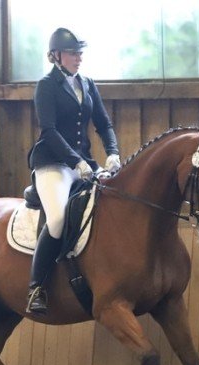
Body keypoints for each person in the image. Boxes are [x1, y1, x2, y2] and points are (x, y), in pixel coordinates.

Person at [25, 27, 121, 315]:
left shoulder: (88, 84)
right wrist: (74, 160)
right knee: (56, 220)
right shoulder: (46, 85)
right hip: (53, 163)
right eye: (72, 53)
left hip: (84, 163)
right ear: (57, 56)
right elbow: (49, 130)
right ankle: (36, 288)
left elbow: (103, 124)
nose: (78, 58)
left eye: (80, 53)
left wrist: (113, 152)